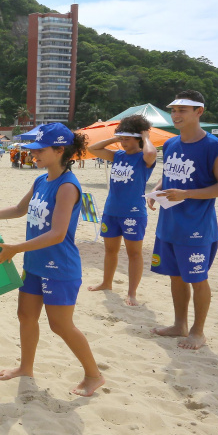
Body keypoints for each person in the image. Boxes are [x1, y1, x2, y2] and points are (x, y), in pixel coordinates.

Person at [0, 122, 104, 397]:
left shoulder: (67, 186)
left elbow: (57, 233)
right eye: (33, 149)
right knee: (25, 316)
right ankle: (25, 368)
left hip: (59, 266)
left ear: (59, 150)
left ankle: (94, 375)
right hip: (35, 264)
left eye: (40, 150)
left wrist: (16, 247)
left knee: (60, 324)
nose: (34, 155)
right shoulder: (41, 180)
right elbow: (19, 209)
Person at [149, 90, 218, 350]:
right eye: (173, 110)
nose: (175, 114)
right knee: (175, 277)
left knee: (198, 279)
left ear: (199, 111)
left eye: (182, 110)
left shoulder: (213, 146)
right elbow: (170, 175)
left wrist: (187, 194)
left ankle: (198, 331)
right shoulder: (172, 144)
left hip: (197, 228)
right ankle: (179, 325)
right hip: (169, 223)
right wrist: (156, 189)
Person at [87, 115, 158, 305]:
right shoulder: (117, 156)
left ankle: (132, 293)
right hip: (111, 211)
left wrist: (145, 137)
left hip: (133, 213)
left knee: (134, 253)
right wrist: (115, 138)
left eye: (127, 139)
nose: (124, 142)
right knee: (110, 250)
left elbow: (151, 154)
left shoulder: (144, 158)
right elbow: (92, 149)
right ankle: (106, 282)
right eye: (123, 138)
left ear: (138, 138)